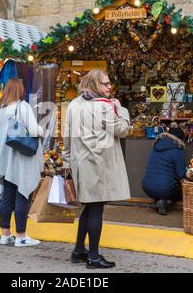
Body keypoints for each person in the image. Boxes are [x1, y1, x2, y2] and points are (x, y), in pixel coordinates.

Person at [62, 69, 131, 269]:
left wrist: (68, 160)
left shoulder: (74, 104)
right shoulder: (105, 107)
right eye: (105, 84)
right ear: (94, 85)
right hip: (98, 164)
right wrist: (122, 109)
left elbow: (67, 137)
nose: (110, 87)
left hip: (81, 163)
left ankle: (78, 251)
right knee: (96, 209)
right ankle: (93, 256)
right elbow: (123, 130)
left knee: (89, 207)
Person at [0, 78, 44, 247]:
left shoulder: (0, 109)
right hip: (21, 157)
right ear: (20, 90)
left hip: (6, 158)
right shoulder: (23, 106)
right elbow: (33, 129)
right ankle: (21, 236)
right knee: (23, 193)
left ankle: (5, 234)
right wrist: (42, 130)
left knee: (8, 195)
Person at [142, 122, 186, 215]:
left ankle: (159, 200)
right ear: (180, 140)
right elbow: (181, 175)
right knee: (179, 191)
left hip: (146, 187)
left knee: (162, 184)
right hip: (166, 189)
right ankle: (164, 201)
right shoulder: (177, 150)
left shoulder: (156, 146)